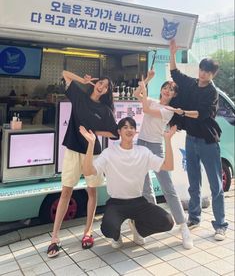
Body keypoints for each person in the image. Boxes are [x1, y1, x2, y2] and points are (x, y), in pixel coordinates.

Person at [47, 70, 118, 258]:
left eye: (106, 86)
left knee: (92, 191)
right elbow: (64, 74)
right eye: (100, 83)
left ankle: (87, 232)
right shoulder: (79, 96)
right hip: (72, 149)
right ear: (95, 84)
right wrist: (84, 80)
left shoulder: (105, 110)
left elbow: (115, 133)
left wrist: (95, 132)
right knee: (66, 192)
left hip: (93, 154)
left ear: (107, 92)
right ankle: (54, 238)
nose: (102, 87)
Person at [81, 117, 175, 248]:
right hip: (116, 203)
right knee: (108, 228)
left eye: (132, 127)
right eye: (125, 127)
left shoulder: (143, 152)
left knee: (167, 222)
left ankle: (137, 228)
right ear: (119, 131)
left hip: (138, 202)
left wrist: (167, 140)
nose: (129, 130)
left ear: (135, 132)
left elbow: (168, 166)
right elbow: (87, 171)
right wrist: (91, 144)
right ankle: (116, 234)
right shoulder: (109, 153)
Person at [169, 39, 228, 241]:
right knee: (193, 181)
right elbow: (175, 73)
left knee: (215, 185)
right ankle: (194, 217)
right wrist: (172, 52)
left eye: (207, 71)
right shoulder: (192, 83)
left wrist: (182, 112)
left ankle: (220, 225)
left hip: (208, 142)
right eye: (202, 69)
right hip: (191, 139)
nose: (203, 73)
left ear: (213, 74)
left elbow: (202, 114)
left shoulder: (212, 92)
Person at [134, 75, 193, 249]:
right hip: (141, 145)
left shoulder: (169, 110)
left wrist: (145, 87)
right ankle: (148, 224)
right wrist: (146, 81)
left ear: (174, 95)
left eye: (171, 90)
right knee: (145, 188)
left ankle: (183, 226)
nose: (167, 90)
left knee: (168, 188)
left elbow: (145, 109)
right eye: (166, 87)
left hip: (155, 147)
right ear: (161, 89)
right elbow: (137, 93)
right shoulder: (152, 100)